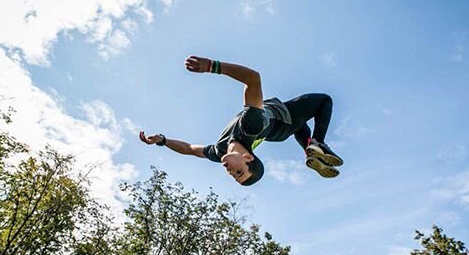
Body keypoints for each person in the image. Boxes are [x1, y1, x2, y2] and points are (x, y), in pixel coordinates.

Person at [139, 56, 343, 186]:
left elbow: (190, 149)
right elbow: (253, 78)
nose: (230, 173)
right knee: (323, 101)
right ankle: (316, 143)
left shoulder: (219, 152)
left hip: (282, 130)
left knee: (301, 124)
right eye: (239, 171)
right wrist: (212, 66)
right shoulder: (250, 125)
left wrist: (163, 141)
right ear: (248, 158)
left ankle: (311, 150)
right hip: (283, 120)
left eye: (234, 176)